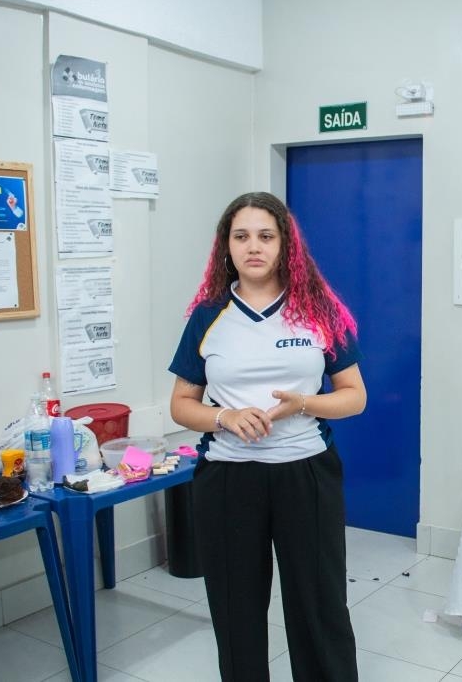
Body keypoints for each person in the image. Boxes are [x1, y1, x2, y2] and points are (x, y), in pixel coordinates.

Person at [169, 191, 366, 681]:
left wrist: (303, 403)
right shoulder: (208, 315)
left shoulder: (319, 309)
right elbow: (181, 404)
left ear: (285, 245)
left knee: (319, 608)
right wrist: (225, 417)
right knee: (235, 612)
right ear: (227, 245)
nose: (253, 247)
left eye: (265, 236)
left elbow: (354, 396)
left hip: (306, 474)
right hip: (229, 479)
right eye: (241, 236)